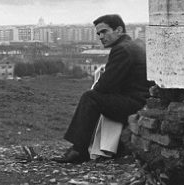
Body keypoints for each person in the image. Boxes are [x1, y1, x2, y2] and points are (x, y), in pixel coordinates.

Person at [54, 14, 152, 164]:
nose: (100, 36)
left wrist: (99, 84)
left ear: (119, 30)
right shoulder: (133, 45)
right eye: (98, 33)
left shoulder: (122, 50)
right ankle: (88, 148)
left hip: (135, 103)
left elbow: (105, 86)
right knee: (94, 97)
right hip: (142, 100)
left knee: (90, 97)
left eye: (104, 31)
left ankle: (78, 150)